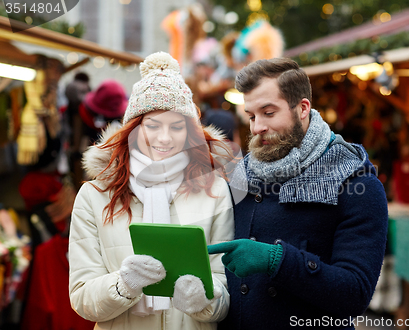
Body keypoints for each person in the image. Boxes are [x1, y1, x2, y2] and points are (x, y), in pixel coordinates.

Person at [207, 58, 388, 329]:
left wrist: (276, 260)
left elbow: (355, 294)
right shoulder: (239, 173)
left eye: (269, 113)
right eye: (252, 116)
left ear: (302, 108)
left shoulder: (355, 181)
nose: (257, 128)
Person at [68, 52, 234, 330]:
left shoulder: (213, 188)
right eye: (152, 126)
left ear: (190, 132)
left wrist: (205, 299)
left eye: (177, 127)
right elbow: (81, 296)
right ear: (133, 129)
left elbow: (226, 289)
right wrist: (123, 285)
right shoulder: (95, 194)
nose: (165, 138)